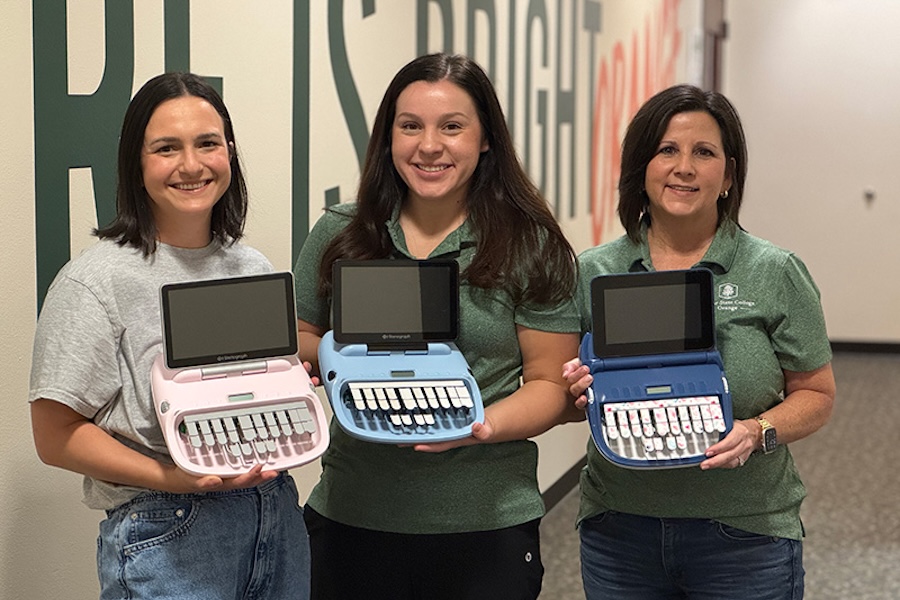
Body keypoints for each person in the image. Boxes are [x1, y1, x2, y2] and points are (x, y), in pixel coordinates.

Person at [293, 53, 582, 600]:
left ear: (486, 139)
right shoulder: (341, 233)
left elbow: (548, 383)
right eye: (411, 126)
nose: (429, 146)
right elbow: (304, 336)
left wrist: (479, 427)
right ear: (388, 136)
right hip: (354, 512)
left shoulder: (531, 244)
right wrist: (337, 364)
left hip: (486, 521)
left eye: (452, 126)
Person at [29, 72, 310, 600]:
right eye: (166, 148)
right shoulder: (96, 281)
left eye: (208, 143)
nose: (191, 165)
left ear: (229, 151)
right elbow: (54, 434)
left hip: (275, 517)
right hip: (166, 527)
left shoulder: (251, 267)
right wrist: (170, 478)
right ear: (137, 164)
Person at [563, 84, 836, 599]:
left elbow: (817, 395)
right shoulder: (594, 271)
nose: (683, 167)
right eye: (667, 150)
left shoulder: (774, 271)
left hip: (744, 533)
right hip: (620, 529)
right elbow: (567, 392)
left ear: (728, 176)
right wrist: (574, 392)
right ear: (640, 167)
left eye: (703, 153)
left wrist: (759, 431)